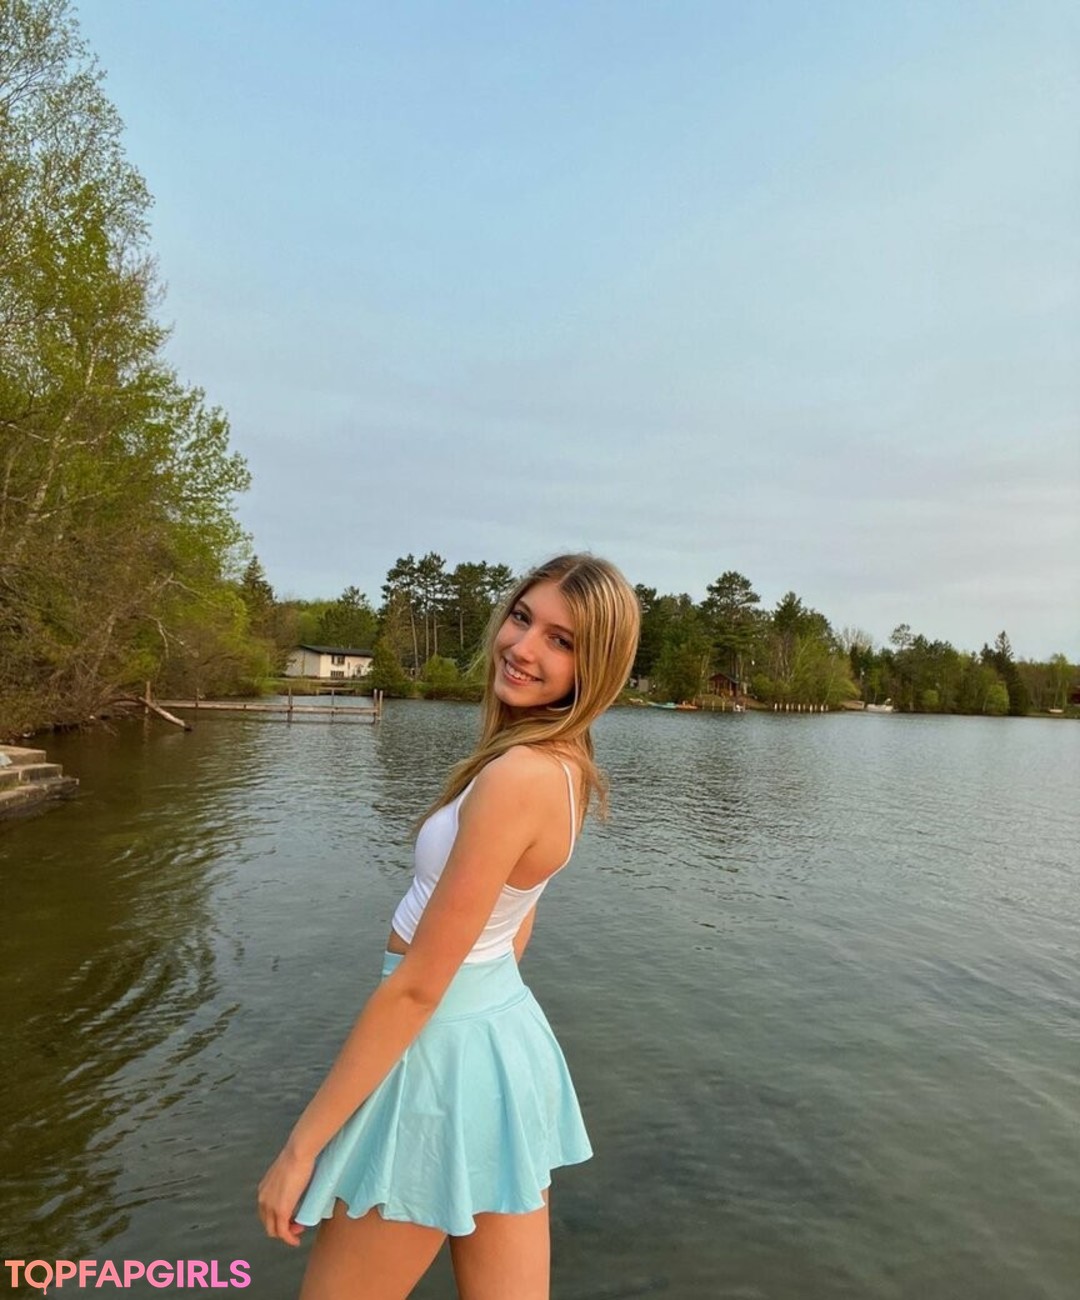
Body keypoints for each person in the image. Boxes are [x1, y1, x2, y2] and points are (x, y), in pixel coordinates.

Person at [258, 553, 641, 1300]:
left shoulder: (516, 776)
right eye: (522, 618)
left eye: (561, 640)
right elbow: (517, 921)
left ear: (595, 666)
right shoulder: (562, 766)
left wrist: (300, 1149)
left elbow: (417, 989)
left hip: (437, 1058)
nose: (522, 647)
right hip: (499, 1040)